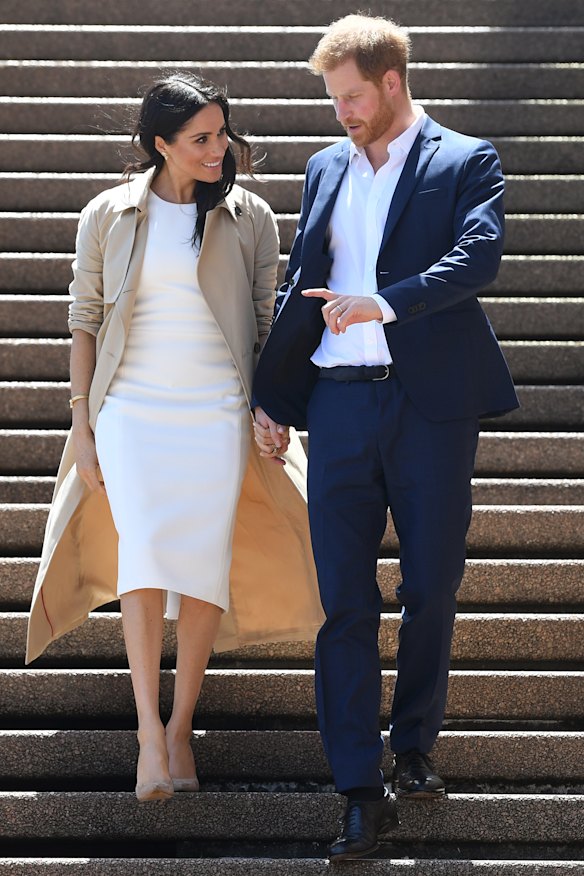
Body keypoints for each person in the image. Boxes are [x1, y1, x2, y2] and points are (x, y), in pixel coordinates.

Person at [253, 14, 519, 860]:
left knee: (432, 583)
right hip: (337, 406)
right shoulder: (326, 165)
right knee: (342, 601)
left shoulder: (464, 158)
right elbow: (303, 278)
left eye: (353, 97)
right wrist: (273, 395)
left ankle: (413, 747)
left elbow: (481, 257)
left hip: (430, 405)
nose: (341, 114)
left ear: (393, 82)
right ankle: (359, 789)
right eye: (334, 99)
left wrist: (387, 300)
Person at [26, 74, 323, 803]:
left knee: (201, 567)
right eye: (202, 139)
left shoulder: (250, 215)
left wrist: (269, 407)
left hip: (217, 409)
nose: (220, 149)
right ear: (159, 145)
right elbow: (85, 317)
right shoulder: (109, 212)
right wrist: (81, 421)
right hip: (130, 409)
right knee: (145, 558)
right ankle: (147, 733)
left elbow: (264, 317)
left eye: (223, 134)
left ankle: (183, 722)